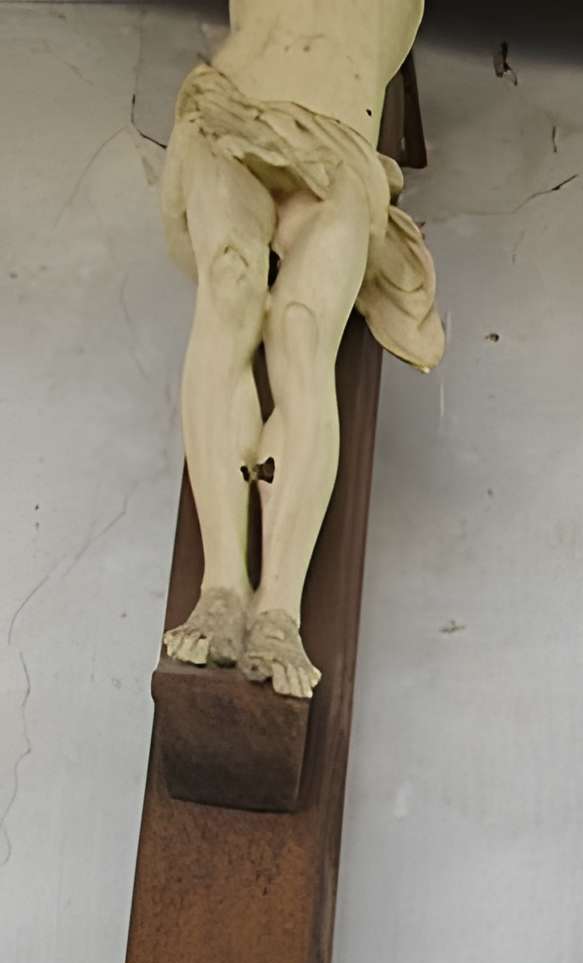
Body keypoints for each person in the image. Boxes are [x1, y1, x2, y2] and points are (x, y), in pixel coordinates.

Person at [159, 0, 444, 698]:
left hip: (341, 139)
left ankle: (279, 609)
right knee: (229, 285)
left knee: (302, 328)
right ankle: (222, 585)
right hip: (236, 105)